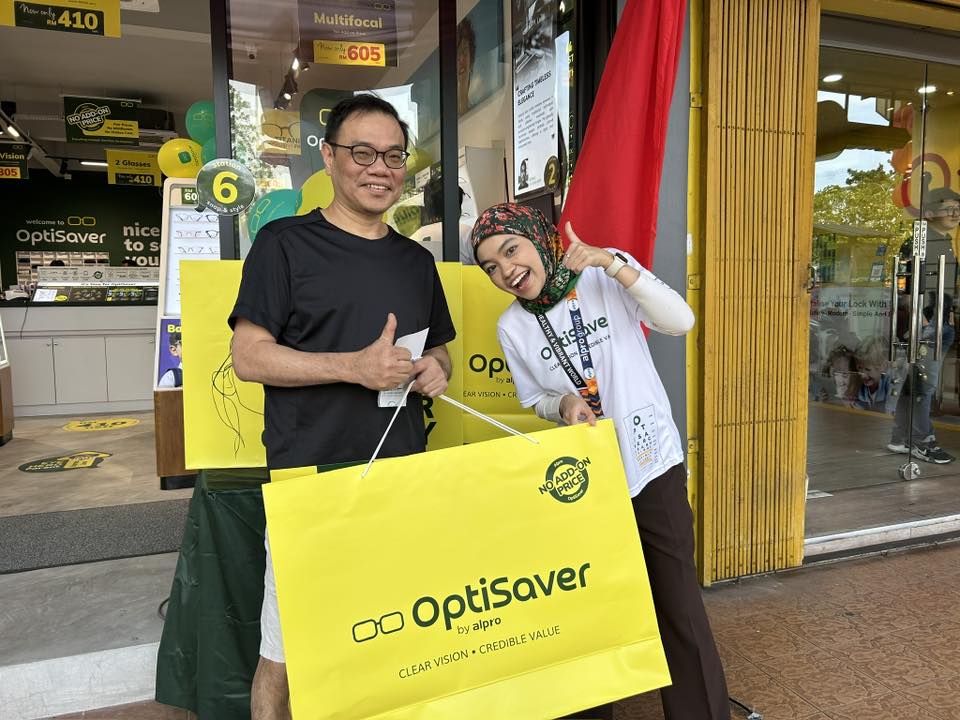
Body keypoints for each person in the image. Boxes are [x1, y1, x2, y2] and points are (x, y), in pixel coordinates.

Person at [229, 94, 456, 720]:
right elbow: (248, 357)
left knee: (392, 635)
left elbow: (439, 350)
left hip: (400, 472)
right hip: (312, 472)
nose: (379, 168)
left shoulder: (416, 261)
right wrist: (353, 367)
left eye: (393, 156)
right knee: (285, 648)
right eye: (362, 153)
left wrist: (435, 369)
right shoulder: (283, 244)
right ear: (329, 158)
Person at [472, 203, 729, 720]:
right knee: (594, 610)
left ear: (537, 237)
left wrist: (613, 264)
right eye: (491, 267)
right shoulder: (512, 326)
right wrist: (563, 403)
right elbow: (535, 398)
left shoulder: (602, 273)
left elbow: (680, 320)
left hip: (650, 465)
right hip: (588, 481)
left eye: (511, 249)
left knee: (677, 604)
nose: (507, 271)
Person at [888, 295, 955, 464]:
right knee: (920, 396)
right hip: (923, 363)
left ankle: (899, 439)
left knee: (908, 397)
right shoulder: (939, 327)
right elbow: (927, 337)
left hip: (915, 362)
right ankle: (921, 442)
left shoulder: (926, 323)